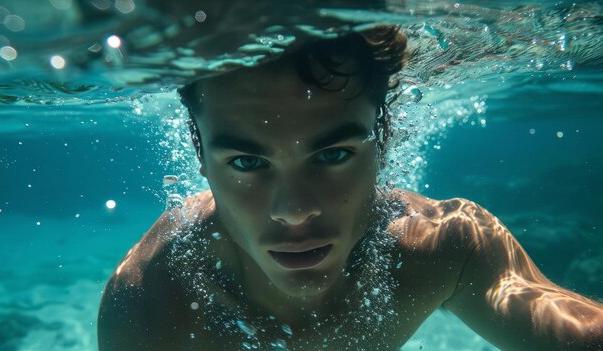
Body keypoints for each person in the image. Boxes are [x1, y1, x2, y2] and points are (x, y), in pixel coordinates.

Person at [97, 25, 603, 351]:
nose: (295, 212)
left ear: (382, 141)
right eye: (248, 162)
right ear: (200, 155)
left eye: (334, 154)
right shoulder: (151, 302)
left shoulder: (448, 245)